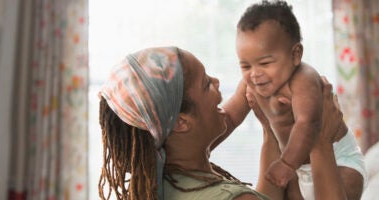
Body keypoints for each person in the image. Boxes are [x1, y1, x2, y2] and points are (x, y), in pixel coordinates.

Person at [97, 46, 352, 200]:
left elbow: (227, 116)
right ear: (182, 123)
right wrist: (319, 140)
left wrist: (269, 127)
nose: (217, 82)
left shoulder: (161, 175)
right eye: (206, 84)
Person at [235, 0, 366, 199]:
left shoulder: (304, 79)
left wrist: (287, 163)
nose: (254, 74)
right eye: (245, 66)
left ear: (295, 55)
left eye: (265, 63)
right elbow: (228, 114)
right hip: (298, 166)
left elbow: (308, 122)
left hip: (339, 158)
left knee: (346, 184)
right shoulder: (253, 83)